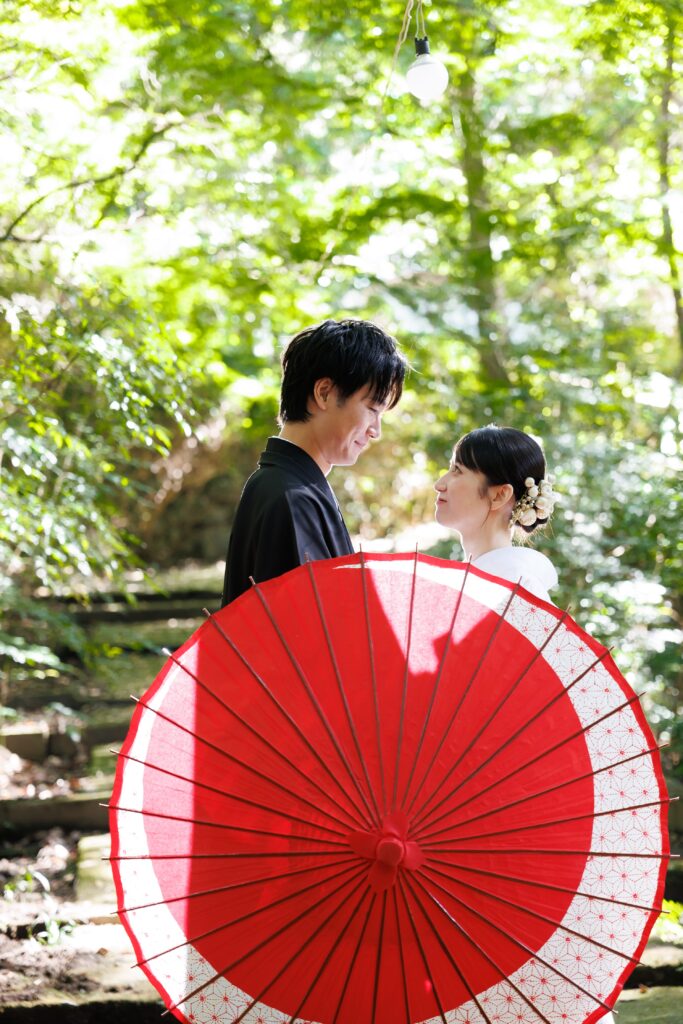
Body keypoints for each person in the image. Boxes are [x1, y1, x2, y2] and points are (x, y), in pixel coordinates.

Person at [221, 318, 407, 606]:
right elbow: (312, 635)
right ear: (324, 393)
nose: (376, 430)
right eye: (372, 408)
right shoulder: (292, 497)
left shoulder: (285, 485)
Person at [434, 424, 558, 602]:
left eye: (457, 471)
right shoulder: (464, 580)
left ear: (500, 495)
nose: (439, 484)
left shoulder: (518, 590)